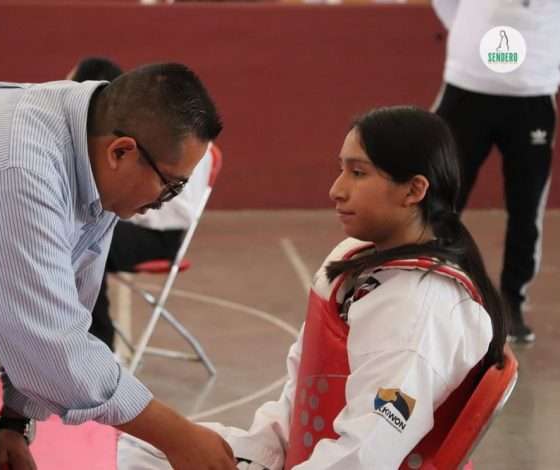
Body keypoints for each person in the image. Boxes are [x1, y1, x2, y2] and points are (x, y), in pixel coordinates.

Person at [117, 106, 507, 469]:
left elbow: (365, 456)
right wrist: (251, 455)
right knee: (141, 448)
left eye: (358, 173)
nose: (337, 189)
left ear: (413, 190)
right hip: (307, 458)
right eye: (341, 169)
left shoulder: (422, 309)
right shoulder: (351, 259)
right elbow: (302, 396)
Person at [0, 63, 238, 470]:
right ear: (121, 152)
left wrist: (15, 419)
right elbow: (49, 343)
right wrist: (176, 435)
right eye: (171, 185)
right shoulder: (16, 171)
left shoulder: (90, 146)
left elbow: (64, 301)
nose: (165, 201)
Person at [432, 0, 560, 343]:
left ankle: (511, 300)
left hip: (532, 91)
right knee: (439, 197)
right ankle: (429, 286)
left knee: (526, 206)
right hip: (468, 84)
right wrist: (472, 37)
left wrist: (542, 58)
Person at [66, 56, 214, 351]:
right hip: (133, 220)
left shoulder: (185, 145)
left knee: (82, 243)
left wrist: (123, 206)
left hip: (159, 236)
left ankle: (97, 345)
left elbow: (182, 212)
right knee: (76, 235)